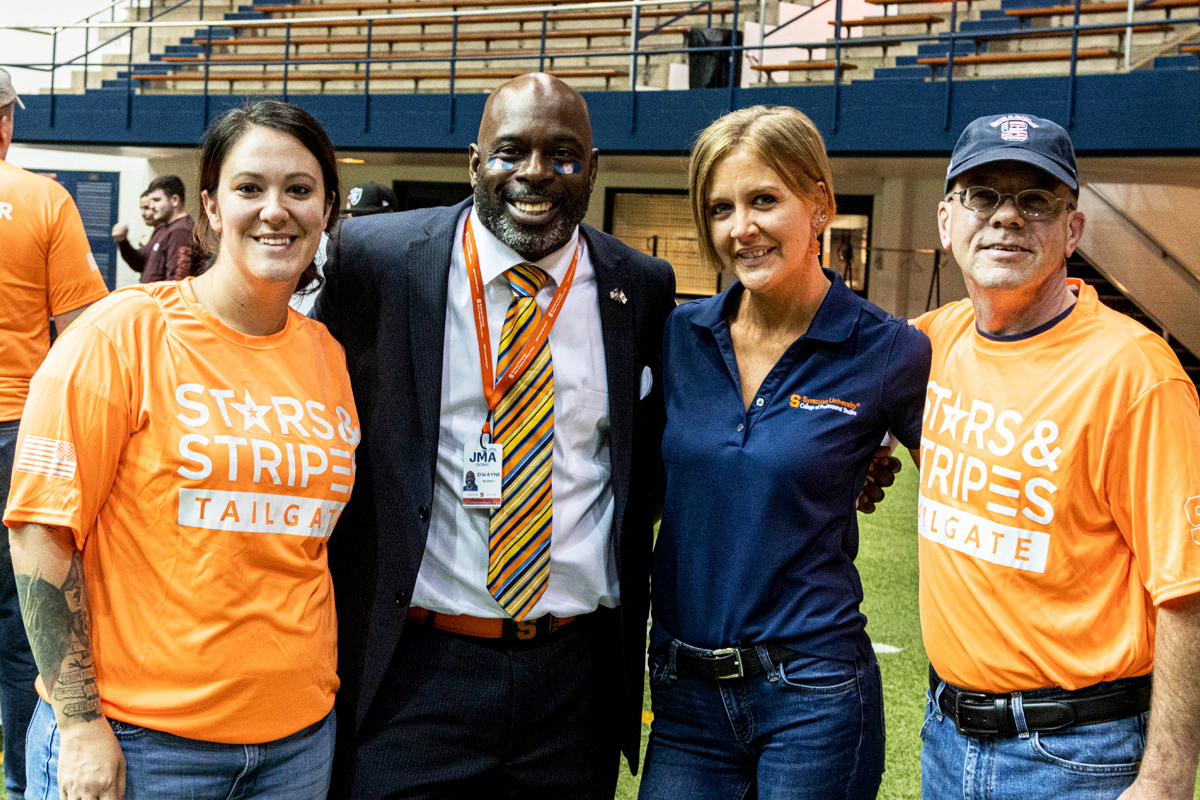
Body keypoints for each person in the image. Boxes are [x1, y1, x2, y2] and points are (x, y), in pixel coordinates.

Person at [313, 72, 676, 798]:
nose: (537, 173)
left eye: (563, 155)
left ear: (594, 168)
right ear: (475, 163)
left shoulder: (641, 285)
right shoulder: (374, 261)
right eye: (511, 152)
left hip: (574, 679)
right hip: (416, 668)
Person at [4, 99, 359, 800]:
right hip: (142, 744)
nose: (275, 210)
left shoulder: (329, 357)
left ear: (327, 210)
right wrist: (78, 723)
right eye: (250, 188)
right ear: (211, 206)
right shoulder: (124, 333)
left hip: (298, 743)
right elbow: (41, 530)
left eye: (299, 189)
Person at [639, 105, 931, 800]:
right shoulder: (678, 334)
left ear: (819, 203)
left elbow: (963, 483)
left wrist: (867, 459)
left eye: (764, 199)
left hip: (813, 689)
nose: (741, 228)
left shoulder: (890, 350)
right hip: (683, 693)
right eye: (720, 208)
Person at [914, 113, 1200, 799]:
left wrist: (1164, 777)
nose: (1007, 217)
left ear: (1072, 231)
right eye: (984, 196)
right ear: (948, 221)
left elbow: (1187, 591)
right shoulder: (930, 342)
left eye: (1036, 200)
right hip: (945, 736)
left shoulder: (1136, 372)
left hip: (1078, 755)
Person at [0, 67, 109, 800]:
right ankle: (19, 772)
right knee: (23, 633)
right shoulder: (41, 198)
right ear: (5, 121)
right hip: (18, 435)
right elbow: (84, 339)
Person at [112, 175, 196, 282]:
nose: (152, 207)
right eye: (151, 202)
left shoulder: (181, 231)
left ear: (174, 200)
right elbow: (140, 264)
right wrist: (123, 241)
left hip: (163, 298)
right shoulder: (162, 229)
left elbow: (176, 281)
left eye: (156, 200)